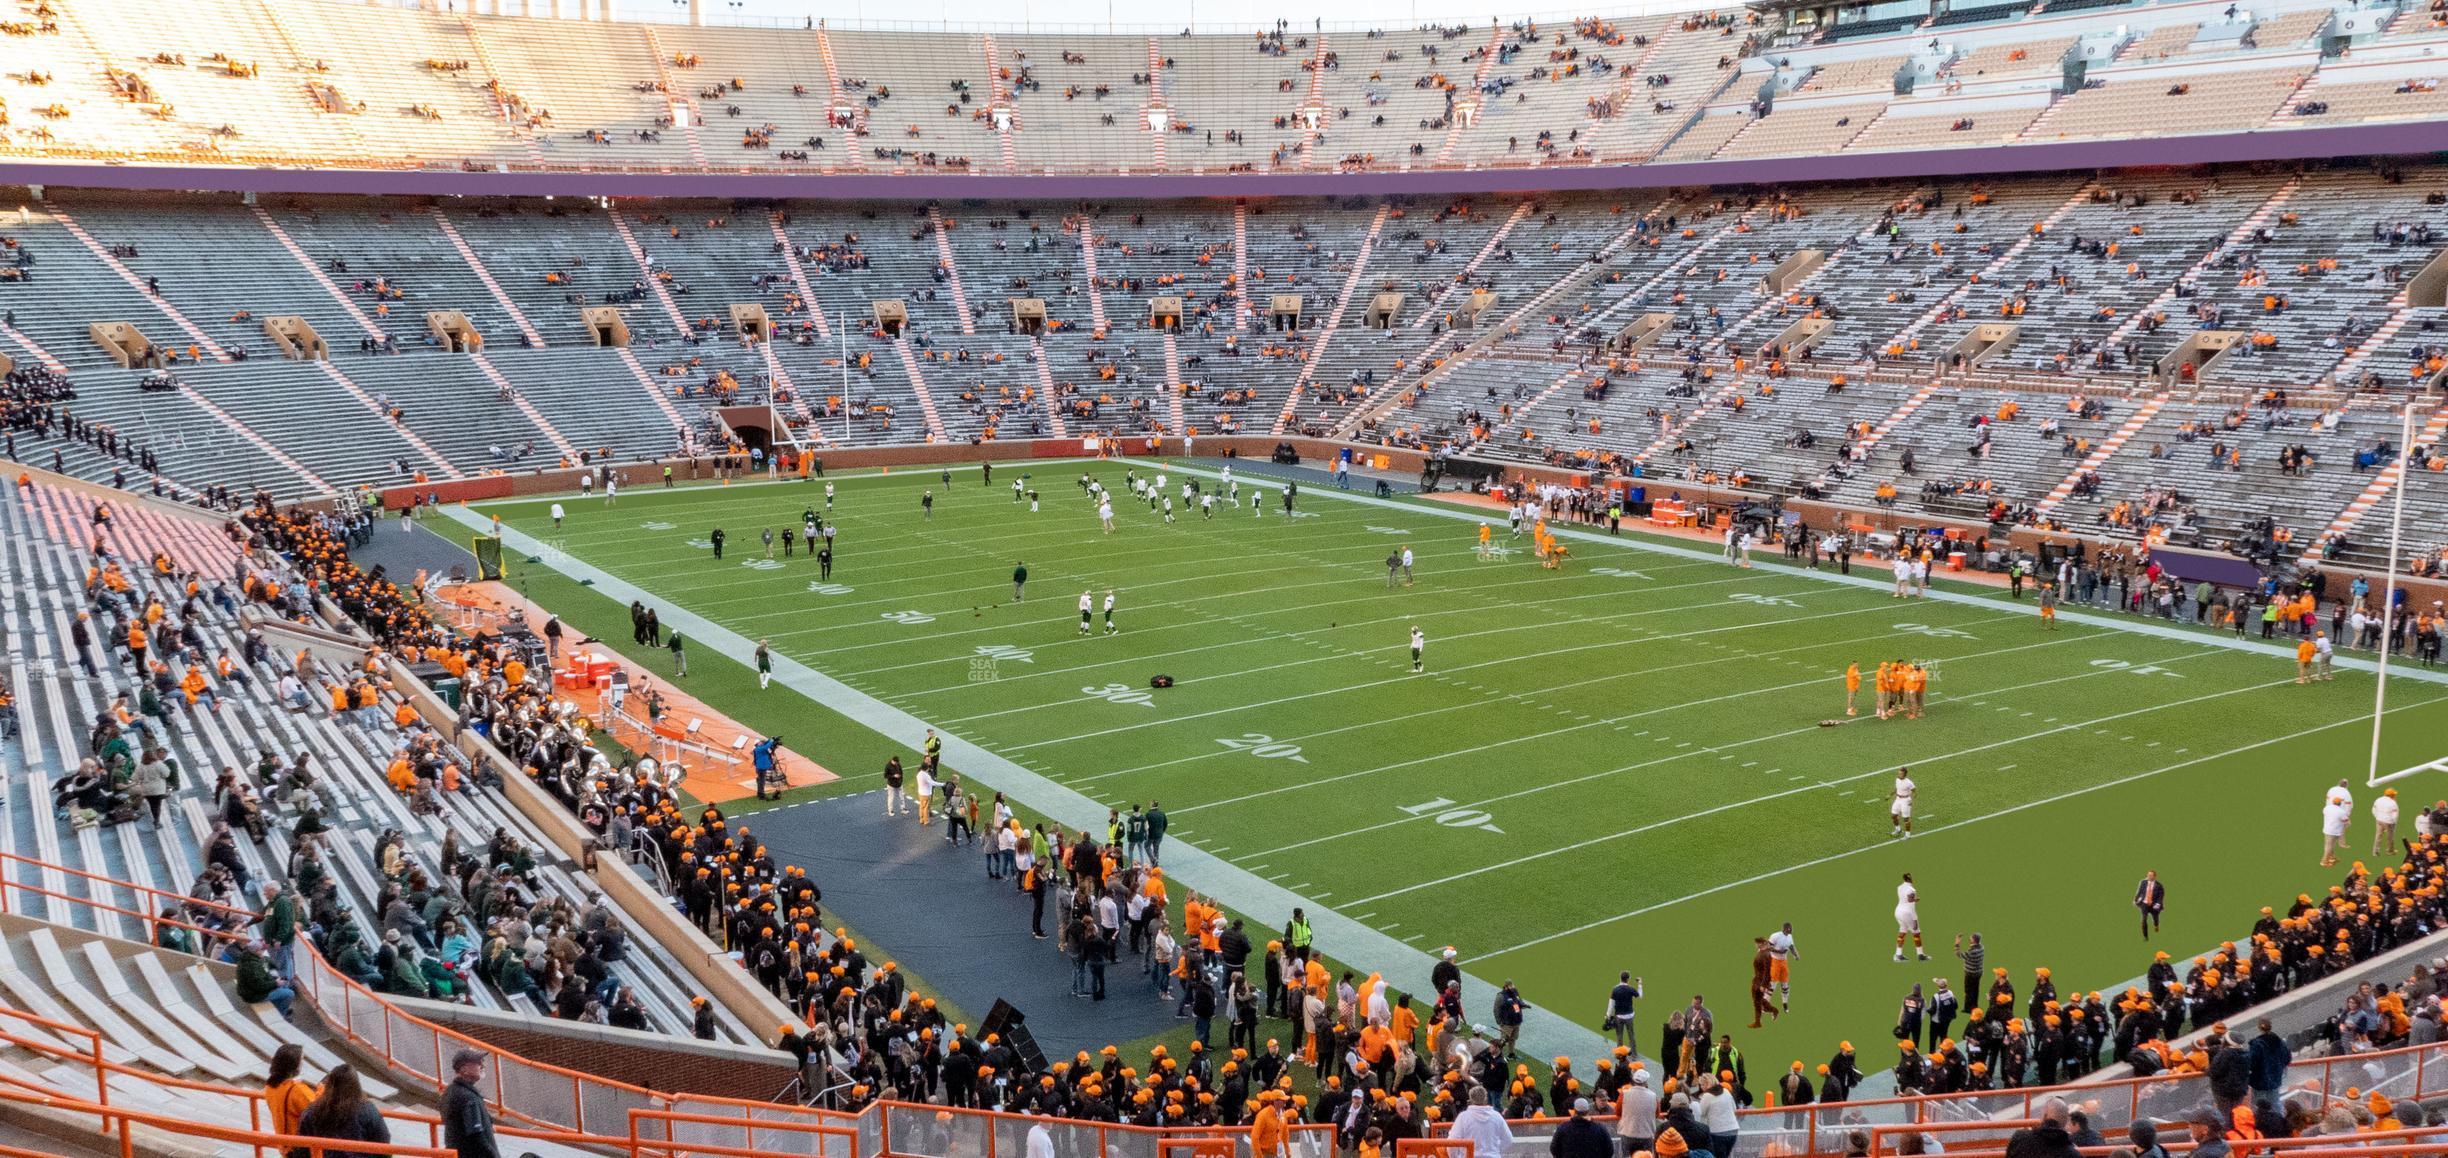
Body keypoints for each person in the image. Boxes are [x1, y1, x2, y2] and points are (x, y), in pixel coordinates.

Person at [297, 1065, 389, 1158]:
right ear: (356, 1086)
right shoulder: (367, 1109)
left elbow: (302, 1147)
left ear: (329, 1084)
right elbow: (384, 1140)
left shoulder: (313, 1111)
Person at [442, 1049, 500, 1158]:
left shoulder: (450, 1091)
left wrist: (488, 1121)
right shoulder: (468, 1097)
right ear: (464, 1069)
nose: (482, 1065)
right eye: (478, 1062)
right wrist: (493, 1155)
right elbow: (476, 1135)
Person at [265, 1043, 318, 1158]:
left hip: (284, 1145)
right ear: (294, 1065)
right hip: (302, 1147)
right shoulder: (297, 1090)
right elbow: (318, 1113)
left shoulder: (270, 1086)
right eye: (301, 1061)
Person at [1451, 1086, 1515, 1158]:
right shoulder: (1496, 1116)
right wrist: (1495, 1150)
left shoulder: (1463, 1117)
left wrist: (1455, 1156)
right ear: (1486, 1098)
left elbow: (1452, 1141)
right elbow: (1508, 1139)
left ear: (1470, 1099)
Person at [1894, 873, 1928, 961]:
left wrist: (1913, 899)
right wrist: (1915, 920)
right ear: (1910, 879)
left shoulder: (1899, 887)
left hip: (1898, 911)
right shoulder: (1912, 889)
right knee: (1916, 933)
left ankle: (1898, 954)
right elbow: (1910, 903)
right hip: (1907, 913)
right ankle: (1920, 955)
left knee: (1902, 932)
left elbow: (1906, 899)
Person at [1606, 971, 1642, 1048]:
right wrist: (1639, 984)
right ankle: (1634, 1054)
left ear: (1620, 978)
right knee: (1631, 1035)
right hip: (1629, 1016)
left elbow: (1611, 1004)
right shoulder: (1631, 989)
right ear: (1628, 979)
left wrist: (1608, 1016)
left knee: (1619, 1036)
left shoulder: (1615, 989)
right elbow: (1640, 996)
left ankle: (1620, 1054)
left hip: (1619, 1016)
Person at [2133, 870, 2165, 940]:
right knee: (2144, 920)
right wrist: (2136, 899)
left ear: (2154, 876)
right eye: (2148, 875)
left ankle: (2156, 925)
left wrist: (2158, 903)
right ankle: (2145, 937)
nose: (2149, 876)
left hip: (2154, 904)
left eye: (2151, 875)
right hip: (2144, 903)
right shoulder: (2143, 882)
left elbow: (2161, 896)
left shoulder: (2159, 885)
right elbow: (2140, 892)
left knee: (2155, 918)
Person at [1890, 767, 1915, 839]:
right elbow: (1897, 788)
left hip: (1905, 800)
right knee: (1893, 815)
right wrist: (1890, 795)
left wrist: (1911, 800)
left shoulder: (1909, 782)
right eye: (1899, 773)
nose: (1899, 774)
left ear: (1905, 774)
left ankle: (1907, 835)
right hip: (1898, 799)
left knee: (1906, 819)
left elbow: (1915, 792)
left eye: (1901, 773)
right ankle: (1898, 829)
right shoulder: (1897, 779)